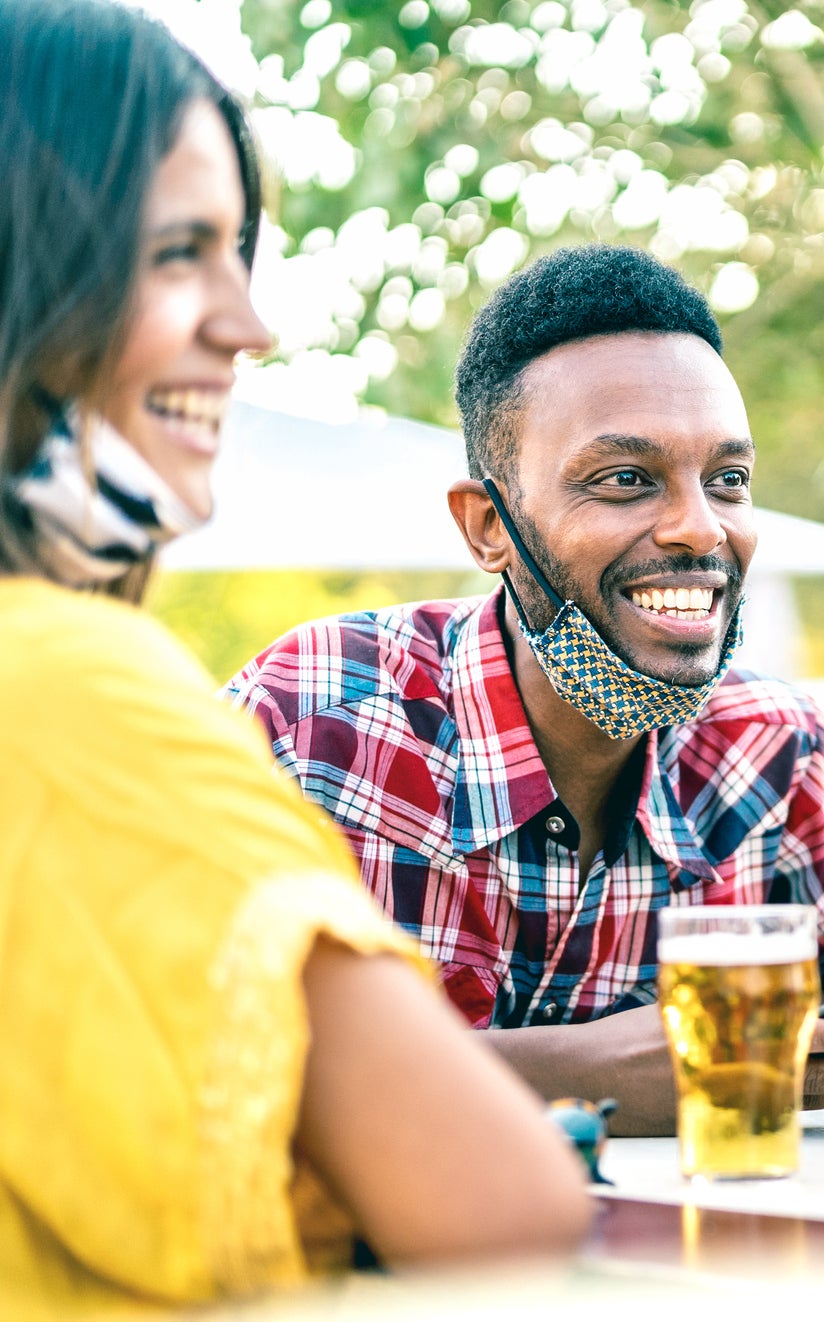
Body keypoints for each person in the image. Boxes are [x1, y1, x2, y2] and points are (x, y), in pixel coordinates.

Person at [0, 1, 590, 1311]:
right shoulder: (73, 689)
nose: (248, 322)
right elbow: (505, 1205)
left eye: (239, 254)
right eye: (174, 255)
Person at [225, 244, 824, 1135]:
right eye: (626, 480)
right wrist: (583, 1076)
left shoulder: (773, 746)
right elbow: (166, 1052)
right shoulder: (315, 719)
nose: (701, 529)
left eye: (728, 480)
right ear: (489, 526)